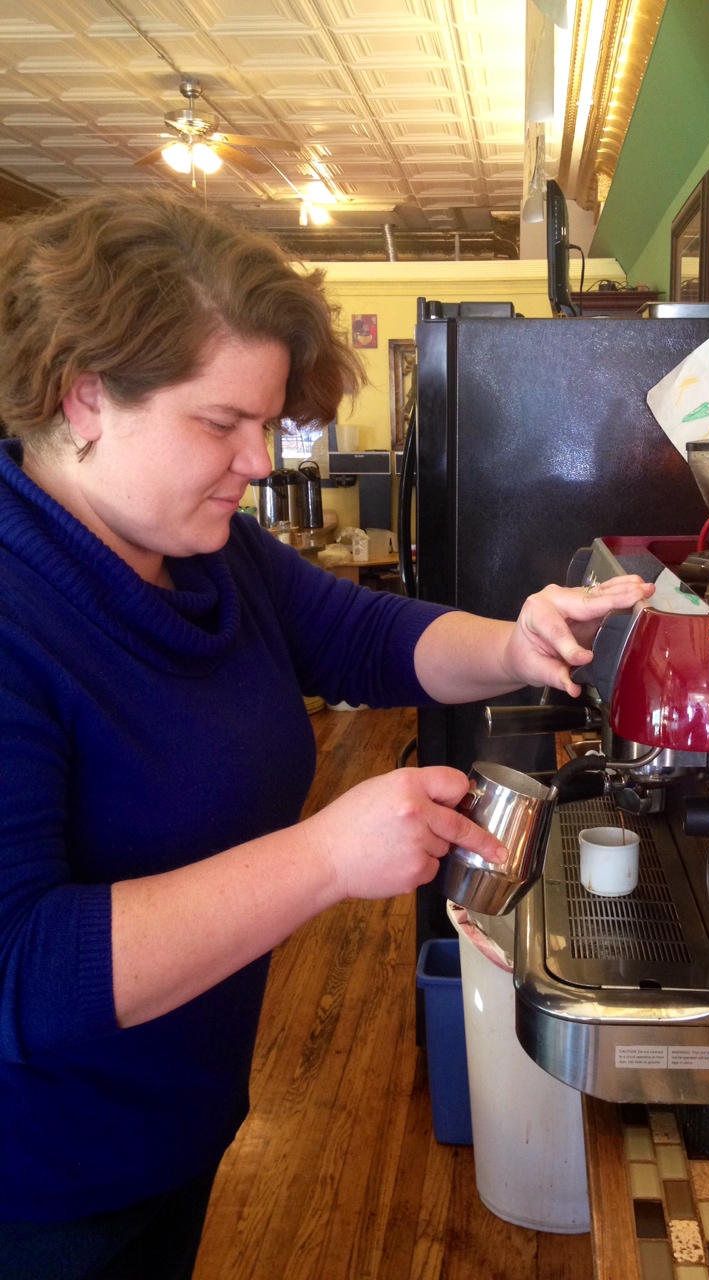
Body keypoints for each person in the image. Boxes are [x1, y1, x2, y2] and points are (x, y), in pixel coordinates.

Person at [0, 188, 649, 1279]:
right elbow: (19, 971)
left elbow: (365, 636)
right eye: (221, 424)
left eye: (266, 425)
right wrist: (325, 858)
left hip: (176, 1118)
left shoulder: (210, 555)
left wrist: (519, 640)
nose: (259, 462)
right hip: (38, 1185)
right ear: (87, 395)